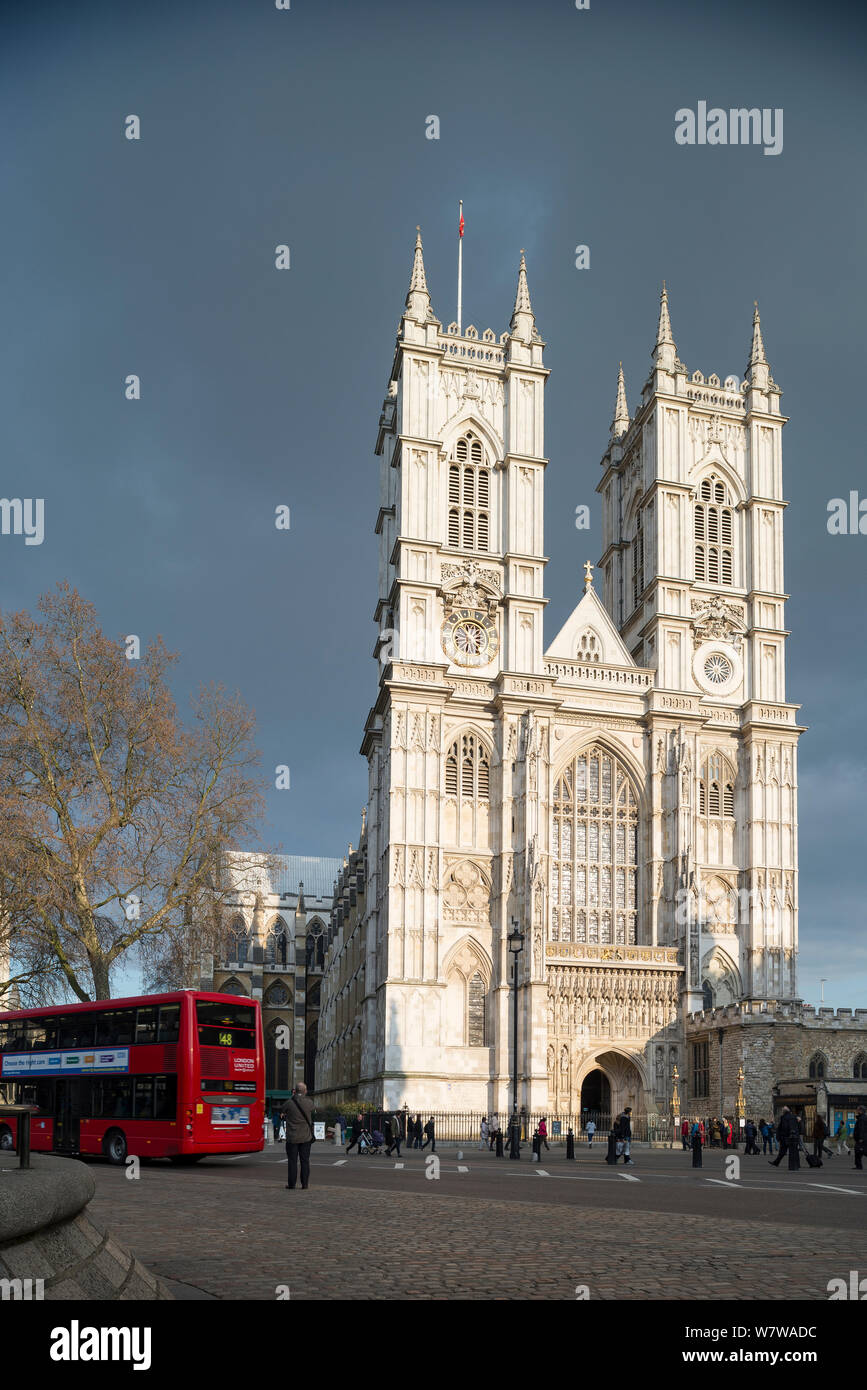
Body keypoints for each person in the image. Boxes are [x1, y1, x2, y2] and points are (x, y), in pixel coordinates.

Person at [280, 1081, 315, 1191]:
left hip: (292, 1137)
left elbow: (282, 1111)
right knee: (305, 1161)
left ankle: (292, 1184)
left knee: (292, 1162)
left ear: (294, 1091)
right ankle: (305, 1184)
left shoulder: (289, 1102)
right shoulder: (309, 1102)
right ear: (305, 1091)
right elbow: (313, 1110)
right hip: (306, 1137)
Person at [853, 1105, 866, 1171]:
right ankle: (858, 1165)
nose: (857, 1111)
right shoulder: (861, 1117)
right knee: (858, 1151)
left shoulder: (862, 1118)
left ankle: (859, 1165)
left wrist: (861, 1138)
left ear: (861, 1111)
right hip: (861, 1138)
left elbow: (861, 1129)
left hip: (861, 1139)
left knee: (860, 1151)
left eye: (858, 1110)